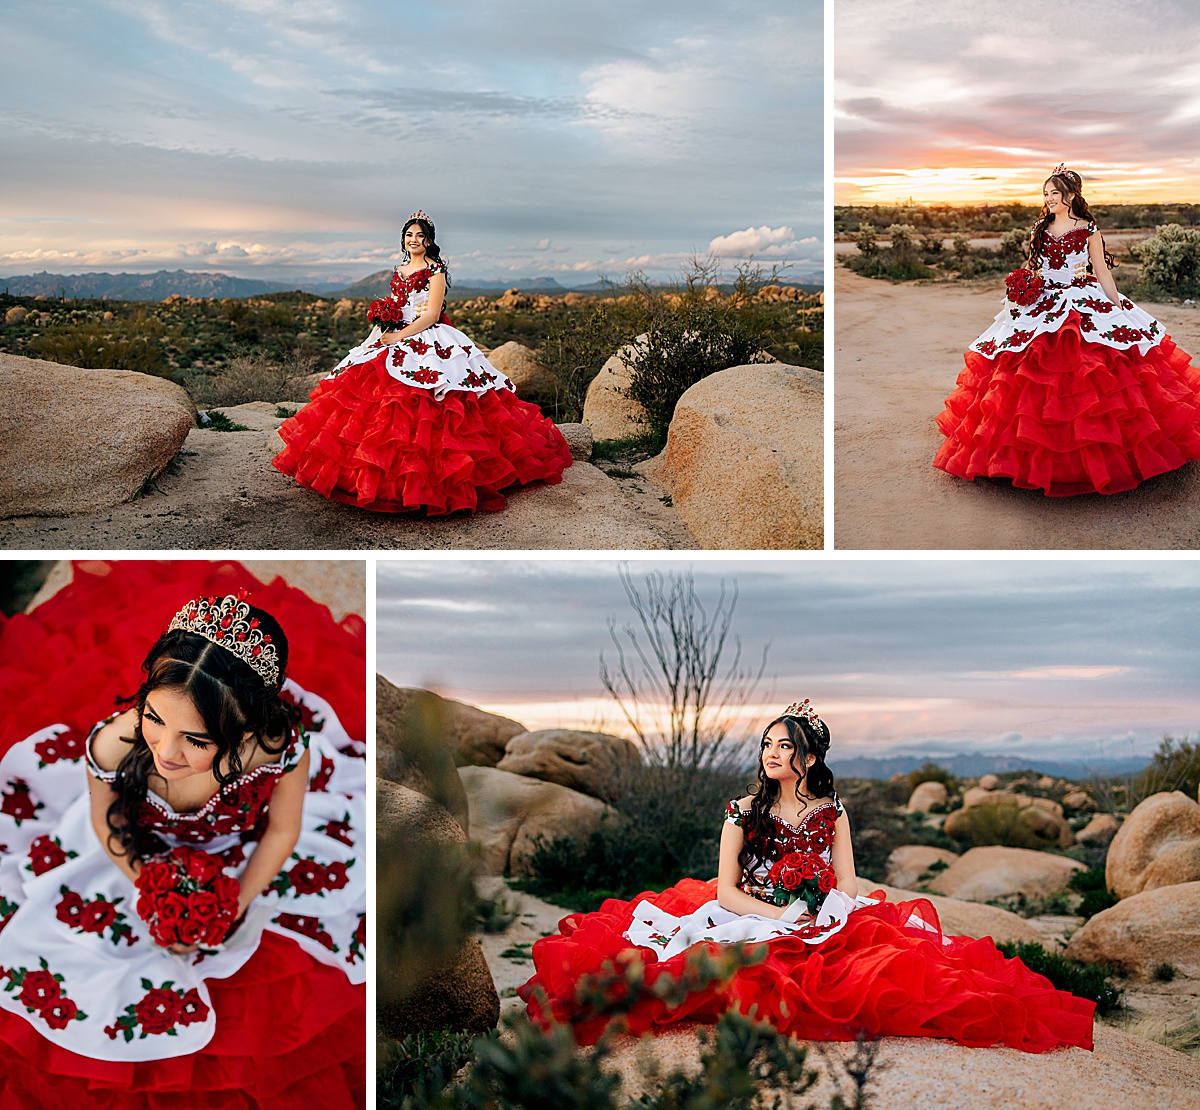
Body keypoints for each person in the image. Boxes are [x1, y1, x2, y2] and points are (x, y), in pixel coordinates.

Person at [518, 700, 1095, 1053]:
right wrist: (783, 915)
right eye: (767, 745)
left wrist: (823, 906)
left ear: (810, 758)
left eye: (784, 746)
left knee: (892, 966)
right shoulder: (740, 811)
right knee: (705, 966)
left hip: (818, 911)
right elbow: (724, 890)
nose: (772, 753)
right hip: (747, 910)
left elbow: (848, 879)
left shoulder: (833, 809)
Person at [0, 562, 366, 1108]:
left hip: (237, 847)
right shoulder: (114, 744)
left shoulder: (279, 748)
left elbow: (283, 829)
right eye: (154, 718)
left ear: (241, 732)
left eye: (195, 739)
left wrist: (232, 904)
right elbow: (107, 822)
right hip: (136, 846)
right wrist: (146, 885)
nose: (166, 752)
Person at [272, 210, 573, 514]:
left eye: (420, 236)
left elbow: (431, 314)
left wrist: (400, 335)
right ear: (404, 239)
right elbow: (396, 304)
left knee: (436, 398)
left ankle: (432, 481)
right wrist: (383, 326)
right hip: (394, 331)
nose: (414, 240)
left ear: (429, 241)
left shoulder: (436, 270)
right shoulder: (400, 268)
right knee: (367, 389)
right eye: (409, 235)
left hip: (426, 334)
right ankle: (365, 476)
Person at [933, 165, 1200, 496]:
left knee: (1096, 367)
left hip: (1080, 294)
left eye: (1054, 193)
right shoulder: (1042, 226)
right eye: (1045, 194)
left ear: (1071, 195)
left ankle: (1106, 458)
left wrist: (1116, 306)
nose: (1048, 199)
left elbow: (1101, 270)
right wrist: (1023, 287)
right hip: (1044, 297)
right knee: (1023, 361)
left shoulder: (1089, 229)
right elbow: (1036, 266)